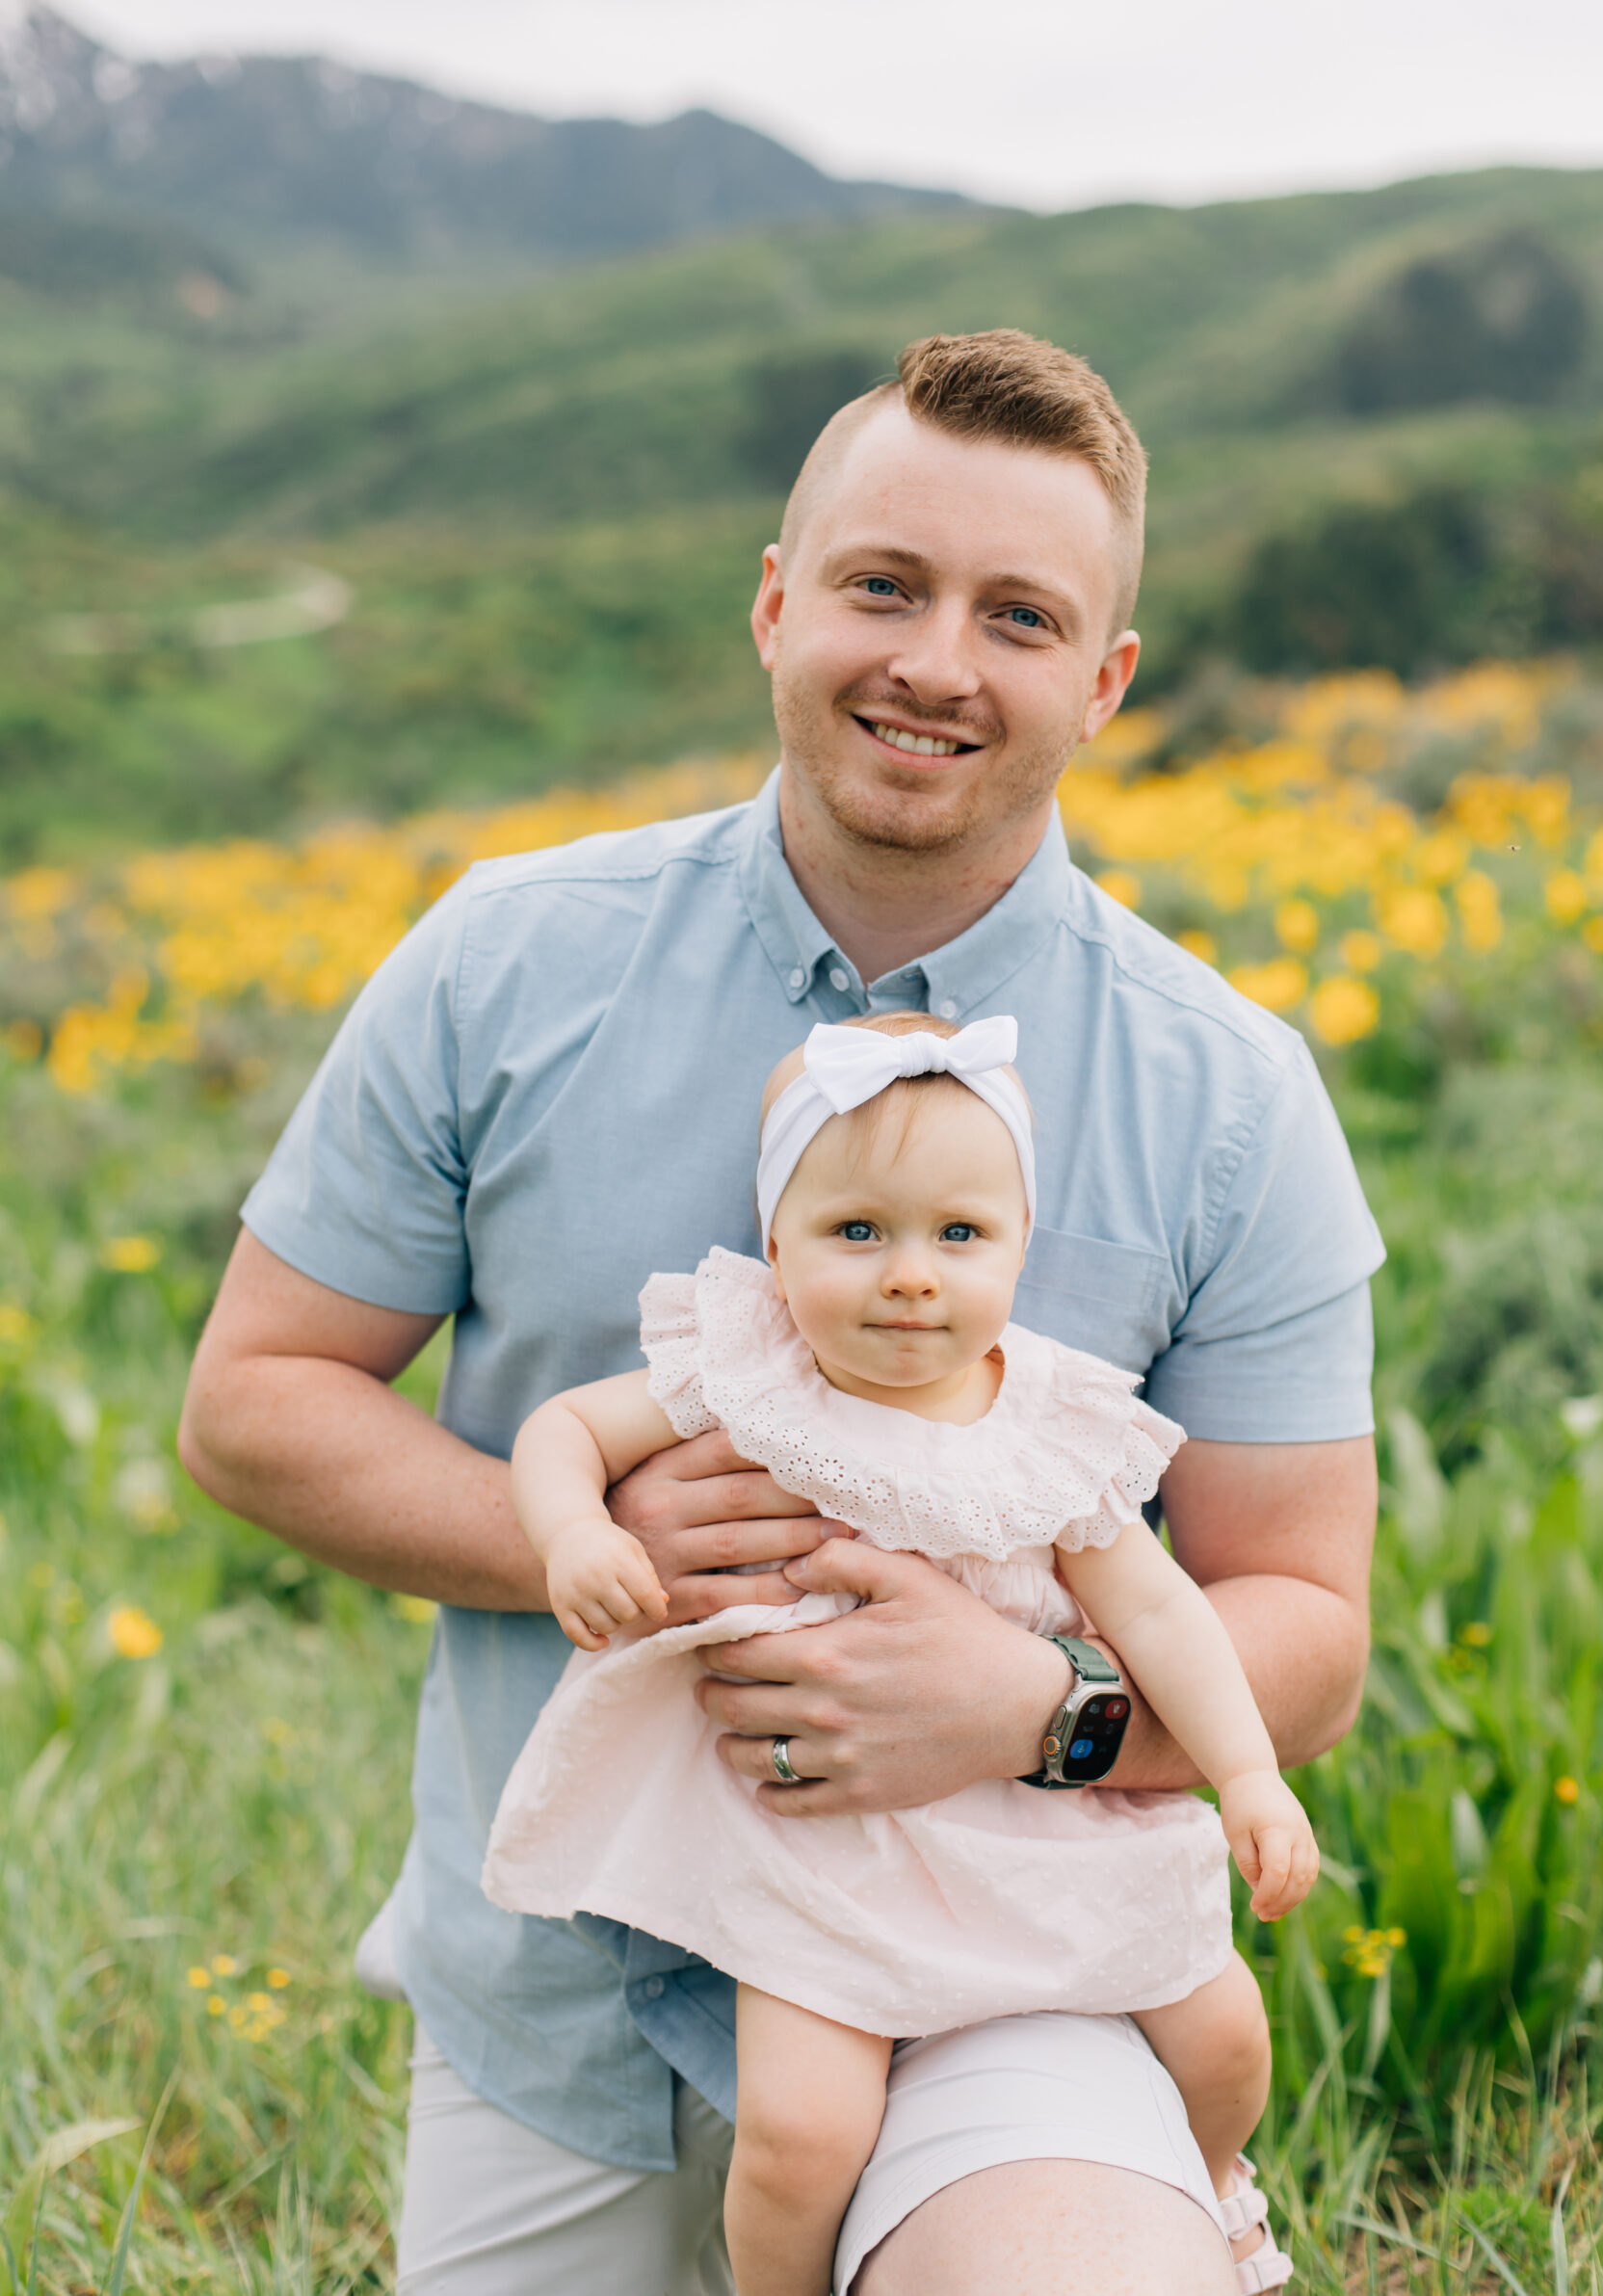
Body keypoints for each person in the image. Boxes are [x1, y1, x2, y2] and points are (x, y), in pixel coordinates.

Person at [177, 327, 1382, 2295]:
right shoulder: (501, 960)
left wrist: (1046, 1713)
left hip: (1004, 1974)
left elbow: (1304, 1629)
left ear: (1105, 682)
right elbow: (254, 1398)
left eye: (1018, 614)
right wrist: (566, 1536)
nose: (935, 661)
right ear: (773, 602)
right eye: (882, 585)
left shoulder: (1228, 1096)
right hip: (561, 1984)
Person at [487, 1006, 1318, 2296]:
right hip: (830, 1843)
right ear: (777, 1249)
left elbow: (1159, 1613)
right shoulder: (756, 1377)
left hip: (1037, 1819)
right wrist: (570, 1535)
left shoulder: (1048, 1425)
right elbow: (563, 1430)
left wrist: (1249, 1775)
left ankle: (1211, 2192)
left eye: (960, 1235)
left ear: (1020, 1250)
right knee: (800, 2137)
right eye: (857, 1232)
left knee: (1223, 2039)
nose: (911, 1274)